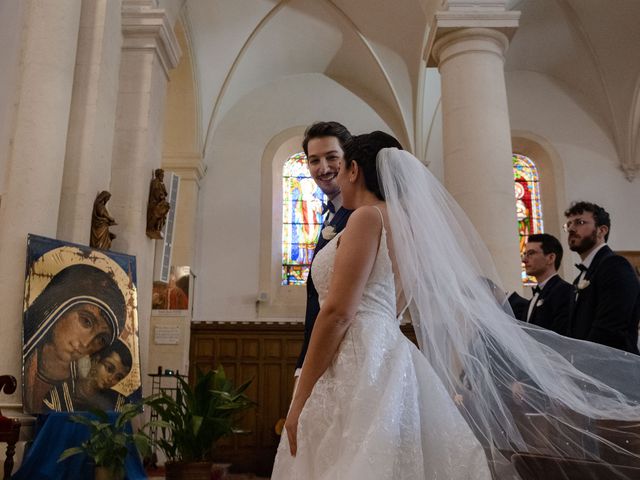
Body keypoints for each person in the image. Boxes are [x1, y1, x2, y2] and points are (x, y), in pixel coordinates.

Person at [272, 132, 640, 479]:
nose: (338, 178)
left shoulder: (368, 217)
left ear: (355, 169)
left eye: (342, 169)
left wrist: (301, 394)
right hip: (390, 351)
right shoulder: (410, 227)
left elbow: (339, 312)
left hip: (358, 353)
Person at [23, 264, 127, 413]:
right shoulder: (28, 364)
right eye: (86, 321)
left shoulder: (82, 391)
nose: (86, 344)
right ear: (59, 308)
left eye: (101, 339)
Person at [295, 122, 353, 381]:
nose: (323, 168)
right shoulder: (331, 216)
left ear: (349, 160)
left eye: (332, 157)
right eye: (314, 160)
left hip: (349, 354)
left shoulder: (360, 216)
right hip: (322, 354)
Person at [564, 201, 640, 353]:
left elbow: (610, 329)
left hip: (612, 368)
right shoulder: (581, 277)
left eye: (579, 222)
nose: (571, 229)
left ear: (601, 230)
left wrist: (581, 361)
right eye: (568, 224)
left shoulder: (616, 266)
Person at [43, 339, 132, 412]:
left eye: (118, 377)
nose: (111, 378)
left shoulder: (118, 403)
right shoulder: (58, 396)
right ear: (95, 360)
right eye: (109, 369)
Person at [520, 233, 573, 334]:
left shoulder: (564, 292)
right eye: (524, 254)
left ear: (551, 258)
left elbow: (561, 336)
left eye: (531, 253)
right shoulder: (535, 296)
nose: (524, 260)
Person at [146, 168, 171, 239]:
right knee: (156, 214)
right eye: (162, 175)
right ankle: (151, 227)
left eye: (163, 175)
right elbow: (156, 191)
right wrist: (161, 196)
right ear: (158, 175)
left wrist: (163, 189)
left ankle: (156, 228)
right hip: (155, 203)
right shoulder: (155, 182)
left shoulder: (160, 183)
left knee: (163, 213)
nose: (163, 177)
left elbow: (165, 193)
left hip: (159, 202)